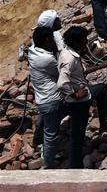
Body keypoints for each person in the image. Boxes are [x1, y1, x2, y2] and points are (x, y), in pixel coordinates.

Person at [57, 26, 107, 168]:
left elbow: (80, 72)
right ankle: (75, 167)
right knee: (78, 133)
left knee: (100, 90)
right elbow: (61, 83)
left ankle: (105, 121)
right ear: (76, 41)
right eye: (84, 40)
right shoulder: (69, 59)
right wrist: (75, 94)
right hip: (79, 101)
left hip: (84, 93)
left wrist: (101, 66)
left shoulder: (70, 53)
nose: (86, 42)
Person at [28, 27, 64, 168]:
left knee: (48, 128)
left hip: (42, 99)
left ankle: (44, 148)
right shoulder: (46, 59)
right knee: (51, 134)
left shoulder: (32, 51)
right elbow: (61, 73)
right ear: (47, 40)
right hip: (52, 100)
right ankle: (48, 166)